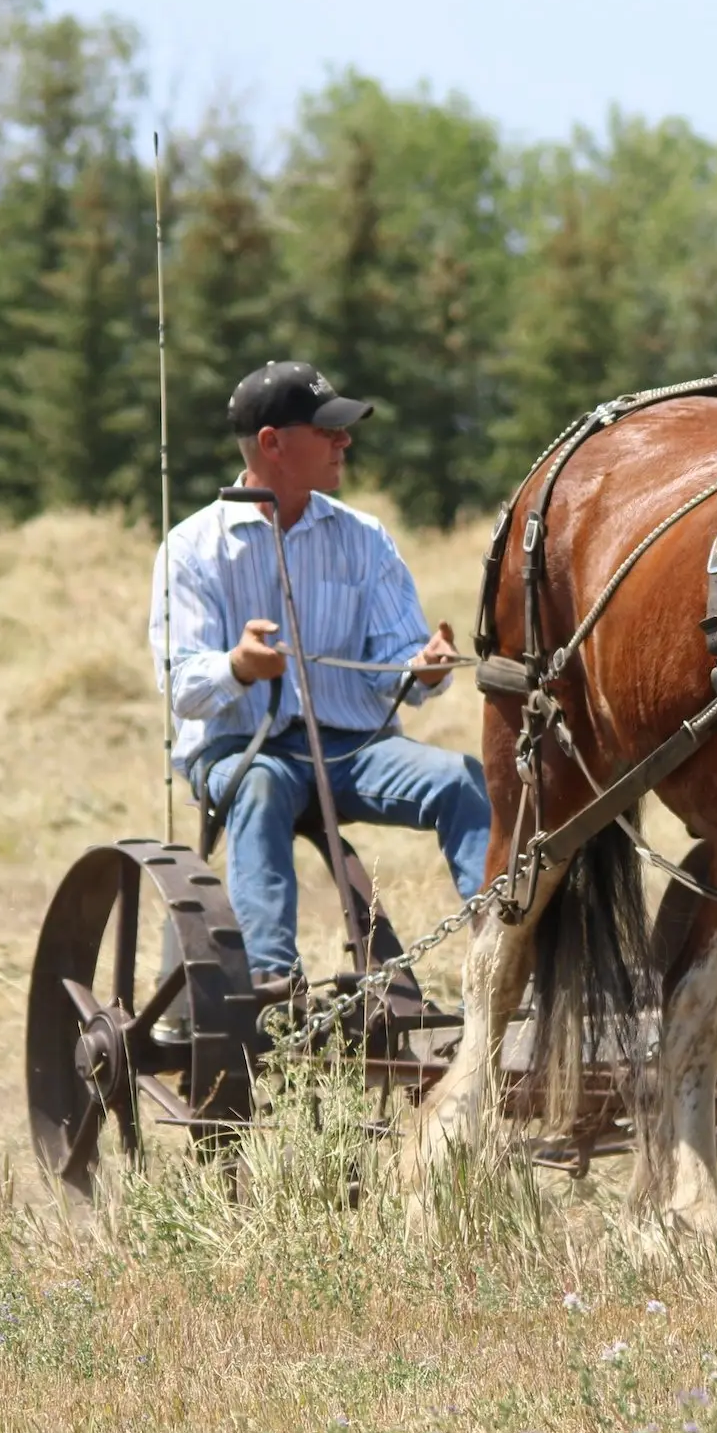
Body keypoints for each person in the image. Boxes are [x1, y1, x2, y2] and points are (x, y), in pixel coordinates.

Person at [149, 360, 491, 998]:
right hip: (240, 750)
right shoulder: (191, 548)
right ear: (273, 444)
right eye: (328, 430)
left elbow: (399, 667)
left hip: (354, 749)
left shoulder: (364, 538)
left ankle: (506, 959)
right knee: (259, 785)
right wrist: (238, 666)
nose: (345, 442)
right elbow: (182, 685)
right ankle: (271, 983)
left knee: (461, 781)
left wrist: (422, 666)